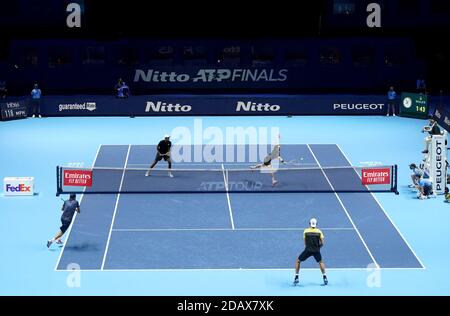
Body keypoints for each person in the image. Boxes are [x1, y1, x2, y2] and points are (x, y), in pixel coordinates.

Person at [293, 218, 328, 286]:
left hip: (308, 250)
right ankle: (325, 277)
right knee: (320, 262)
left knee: (298, 261)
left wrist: (308, 247)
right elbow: (323, 243)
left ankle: (296, 277)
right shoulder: (319, 231)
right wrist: (318, 248)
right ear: (316, 224)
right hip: (316, 251)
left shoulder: (305, 231)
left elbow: (305, 243)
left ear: (309, 223)